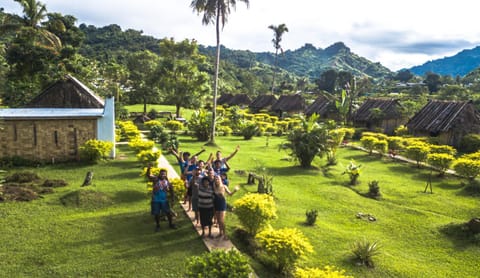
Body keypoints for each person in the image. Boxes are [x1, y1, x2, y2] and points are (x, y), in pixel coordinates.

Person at [146, 167, 177, 231]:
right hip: (155, 200)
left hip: (164, 200)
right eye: (162, 174)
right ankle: (158, 226)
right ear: (159, 174)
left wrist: (172, 199)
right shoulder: (155, 179)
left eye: (164, 174)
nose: (163, 175)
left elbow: (172, 191)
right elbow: (148, 175)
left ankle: (171, 224)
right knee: (156, 214)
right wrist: (148, 169)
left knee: (168, 213)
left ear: (166, 175)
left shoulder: (167, 182)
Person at [213, 175, 237, 240]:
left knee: (221, 220)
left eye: (217, 179)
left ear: (220, 179)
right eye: (215, 179)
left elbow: (230, 194)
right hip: (216, 204)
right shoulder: (214, 187)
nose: (216, 180)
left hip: (222, 204)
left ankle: (225, 234)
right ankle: (220, 233)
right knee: (218, 220)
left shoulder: (224, 186)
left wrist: (235, 190)